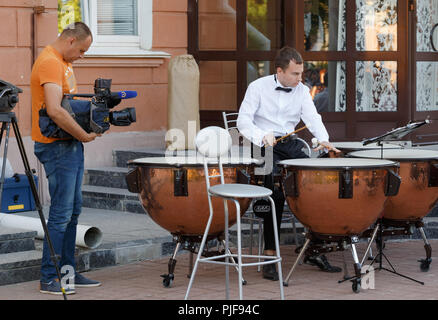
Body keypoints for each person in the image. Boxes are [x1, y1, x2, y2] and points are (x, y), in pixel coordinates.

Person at [237, 46, 341, 281]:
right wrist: (260, 135)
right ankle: (269, 255)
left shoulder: (302, 91)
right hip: (261, 145)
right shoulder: (258, 87)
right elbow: (243, 121)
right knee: (273, 193)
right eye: (295, 74)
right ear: (280, 71)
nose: (299, 78)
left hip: (290, 144)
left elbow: (313, 118)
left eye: (301, 73)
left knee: (316, 185)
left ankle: (315, 248)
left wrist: (324, 139)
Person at [31, 22, 102, 295]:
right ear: (71, 40)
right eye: (82, 50)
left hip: (69, 144)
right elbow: (55, 111)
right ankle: (49, 278)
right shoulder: (50, 62)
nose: (82, 56)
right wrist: (84, 134)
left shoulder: (64, 63)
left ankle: (68, 273)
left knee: (72, 212)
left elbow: (68, 104)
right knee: (61, 215)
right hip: (56, 146)